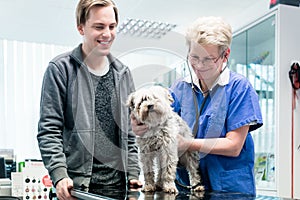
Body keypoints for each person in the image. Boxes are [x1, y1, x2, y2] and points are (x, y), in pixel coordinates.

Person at [131, 16, 263, 196]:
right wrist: (139, 125)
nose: (199, 66)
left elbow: (234, 146)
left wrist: (187, 143)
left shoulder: (239, 88)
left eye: (208, 59)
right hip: (185, 185)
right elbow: (159, 120)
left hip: (229, 188)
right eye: (194, 57)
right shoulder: (180, 88)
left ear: (225, 55)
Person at [37, 0, 142, 199]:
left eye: (112, 27)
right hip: (77, 189)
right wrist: (59, 175)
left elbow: (129, 132)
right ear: (80, 28)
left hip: (119, 189)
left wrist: (133, 172)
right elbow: (49, 130)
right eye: (99, 27)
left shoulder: (123, 74)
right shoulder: (60, 69)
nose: (107, 34)